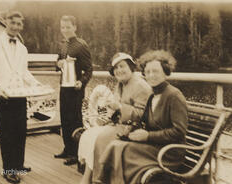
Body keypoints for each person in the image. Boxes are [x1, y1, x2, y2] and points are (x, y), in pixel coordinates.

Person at [93, 50, 188, 184]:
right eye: (148, 72)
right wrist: (129, 132)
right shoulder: (152, 95)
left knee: (122, 150)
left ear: (166, 72)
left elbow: (179, 132)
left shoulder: (174, 96)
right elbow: (143, 122)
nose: (151, 75)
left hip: (170, 152)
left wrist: (148, 136)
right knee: (116, 145)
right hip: (155, 146)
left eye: (155, 71)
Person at [0, 11, 39, 183]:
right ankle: (9, 169)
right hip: (2, 93)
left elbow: (23, 72)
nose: (15, 26)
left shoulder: (22, 48)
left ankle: (18, 165)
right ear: (6, 22)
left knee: (20, 131)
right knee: (7, 133)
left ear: (22, 26)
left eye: (19, 24)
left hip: (19, 94)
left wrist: (36, 84)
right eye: (12, 22)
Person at [79, 52, 152, 184]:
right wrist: (110, 117)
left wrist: (119, 107)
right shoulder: (121, 84)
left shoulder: (140, 85)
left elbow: (142, 115)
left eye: (122, 66)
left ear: (131, 67)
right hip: (121, 126)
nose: (119, 70)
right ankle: (91, 178)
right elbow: (117, 112)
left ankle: (94, 179)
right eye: (116, 68)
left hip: (135, 129)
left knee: (98, 138)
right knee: (89, 135)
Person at [54, 15, 93, 166]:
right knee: (64, 119)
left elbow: (89, 69)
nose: (65, 30)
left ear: (75, 27)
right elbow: (57, 63)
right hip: (64, 87)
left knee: (75, 120)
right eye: (62, 27)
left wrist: (81, 82)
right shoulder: (63, 45)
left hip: (76, 90)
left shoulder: (81, 45)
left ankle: (77, 153)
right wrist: (59, 63)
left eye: (68, 27)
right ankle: (67, 149)